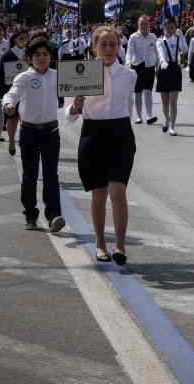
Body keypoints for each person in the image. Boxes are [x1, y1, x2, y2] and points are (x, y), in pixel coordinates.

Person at [65, 26, 137, 265]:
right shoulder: (81, 73)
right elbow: (70, 115)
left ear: (119, 46)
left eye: (113, 44)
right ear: (93, 46)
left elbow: (129, 108)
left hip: (120, 135)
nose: (108, 49)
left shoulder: (129, 75)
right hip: (93, 134)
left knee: (118, 190)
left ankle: (120, 246)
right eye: (103, 44)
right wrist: (76, 105)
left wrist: (125, 130)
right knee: (98, 193)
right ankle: (100, 244)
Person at [2, 37, 66, 232]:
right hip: (29, 131)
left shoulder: (58, 75)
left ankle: (53, 214)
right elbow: (11, 94)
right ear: (29, 58)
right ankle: (30, 213)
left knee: (50, 173)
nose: (42, 58)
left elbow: (71, 95)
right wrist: (9, 105)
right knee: (29, 175)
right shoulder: (24, 77)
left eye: (45, 54)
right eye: (37, 55)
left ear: (51, 57)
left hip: (51, 131)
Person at [0, 27, 29, 156]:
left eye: (26, 39)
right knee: (12, 120)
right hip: (12, 92)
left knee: (26, 121)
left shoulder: (31, 54)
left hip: (28, 92)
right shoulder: (7, 55)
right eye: (21, 38)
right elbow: (2, 76)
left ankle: (26, 144)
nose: (24, 41)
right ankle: (11, 141)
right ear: (15, 39)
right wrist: (1, 96)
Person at [156, 19, 188, 136]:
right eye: (168, 28)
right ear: (164, 28)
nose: (170, 30)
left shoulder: (178, 39)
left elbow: (185, 50)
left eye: (172, 28)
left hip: (175, 70)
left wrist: (182, 36)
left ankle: (172, 127)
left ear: (175, 29)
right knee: (165, 103)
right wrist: (163, 61)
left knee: (173, 102)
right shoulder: (160, 41)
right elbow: (160, 53)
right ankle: (167, 119)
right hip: (164, 69)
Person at [126, 16, 158, 125]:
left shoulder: (153, 37)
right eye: (141, 24)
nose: (143, 26)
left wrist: (158, 66)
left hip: (150, 65)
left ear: (149, 25)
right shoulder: (133, 37)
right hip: (137, 65)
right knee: (138, 92)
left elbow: (157, 53)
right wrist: (128, 63)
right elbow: (129, 52)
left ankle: (149, 116)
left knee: (148, 91)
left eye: (145, 24)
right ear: (138, 25)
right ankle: (139, 117)